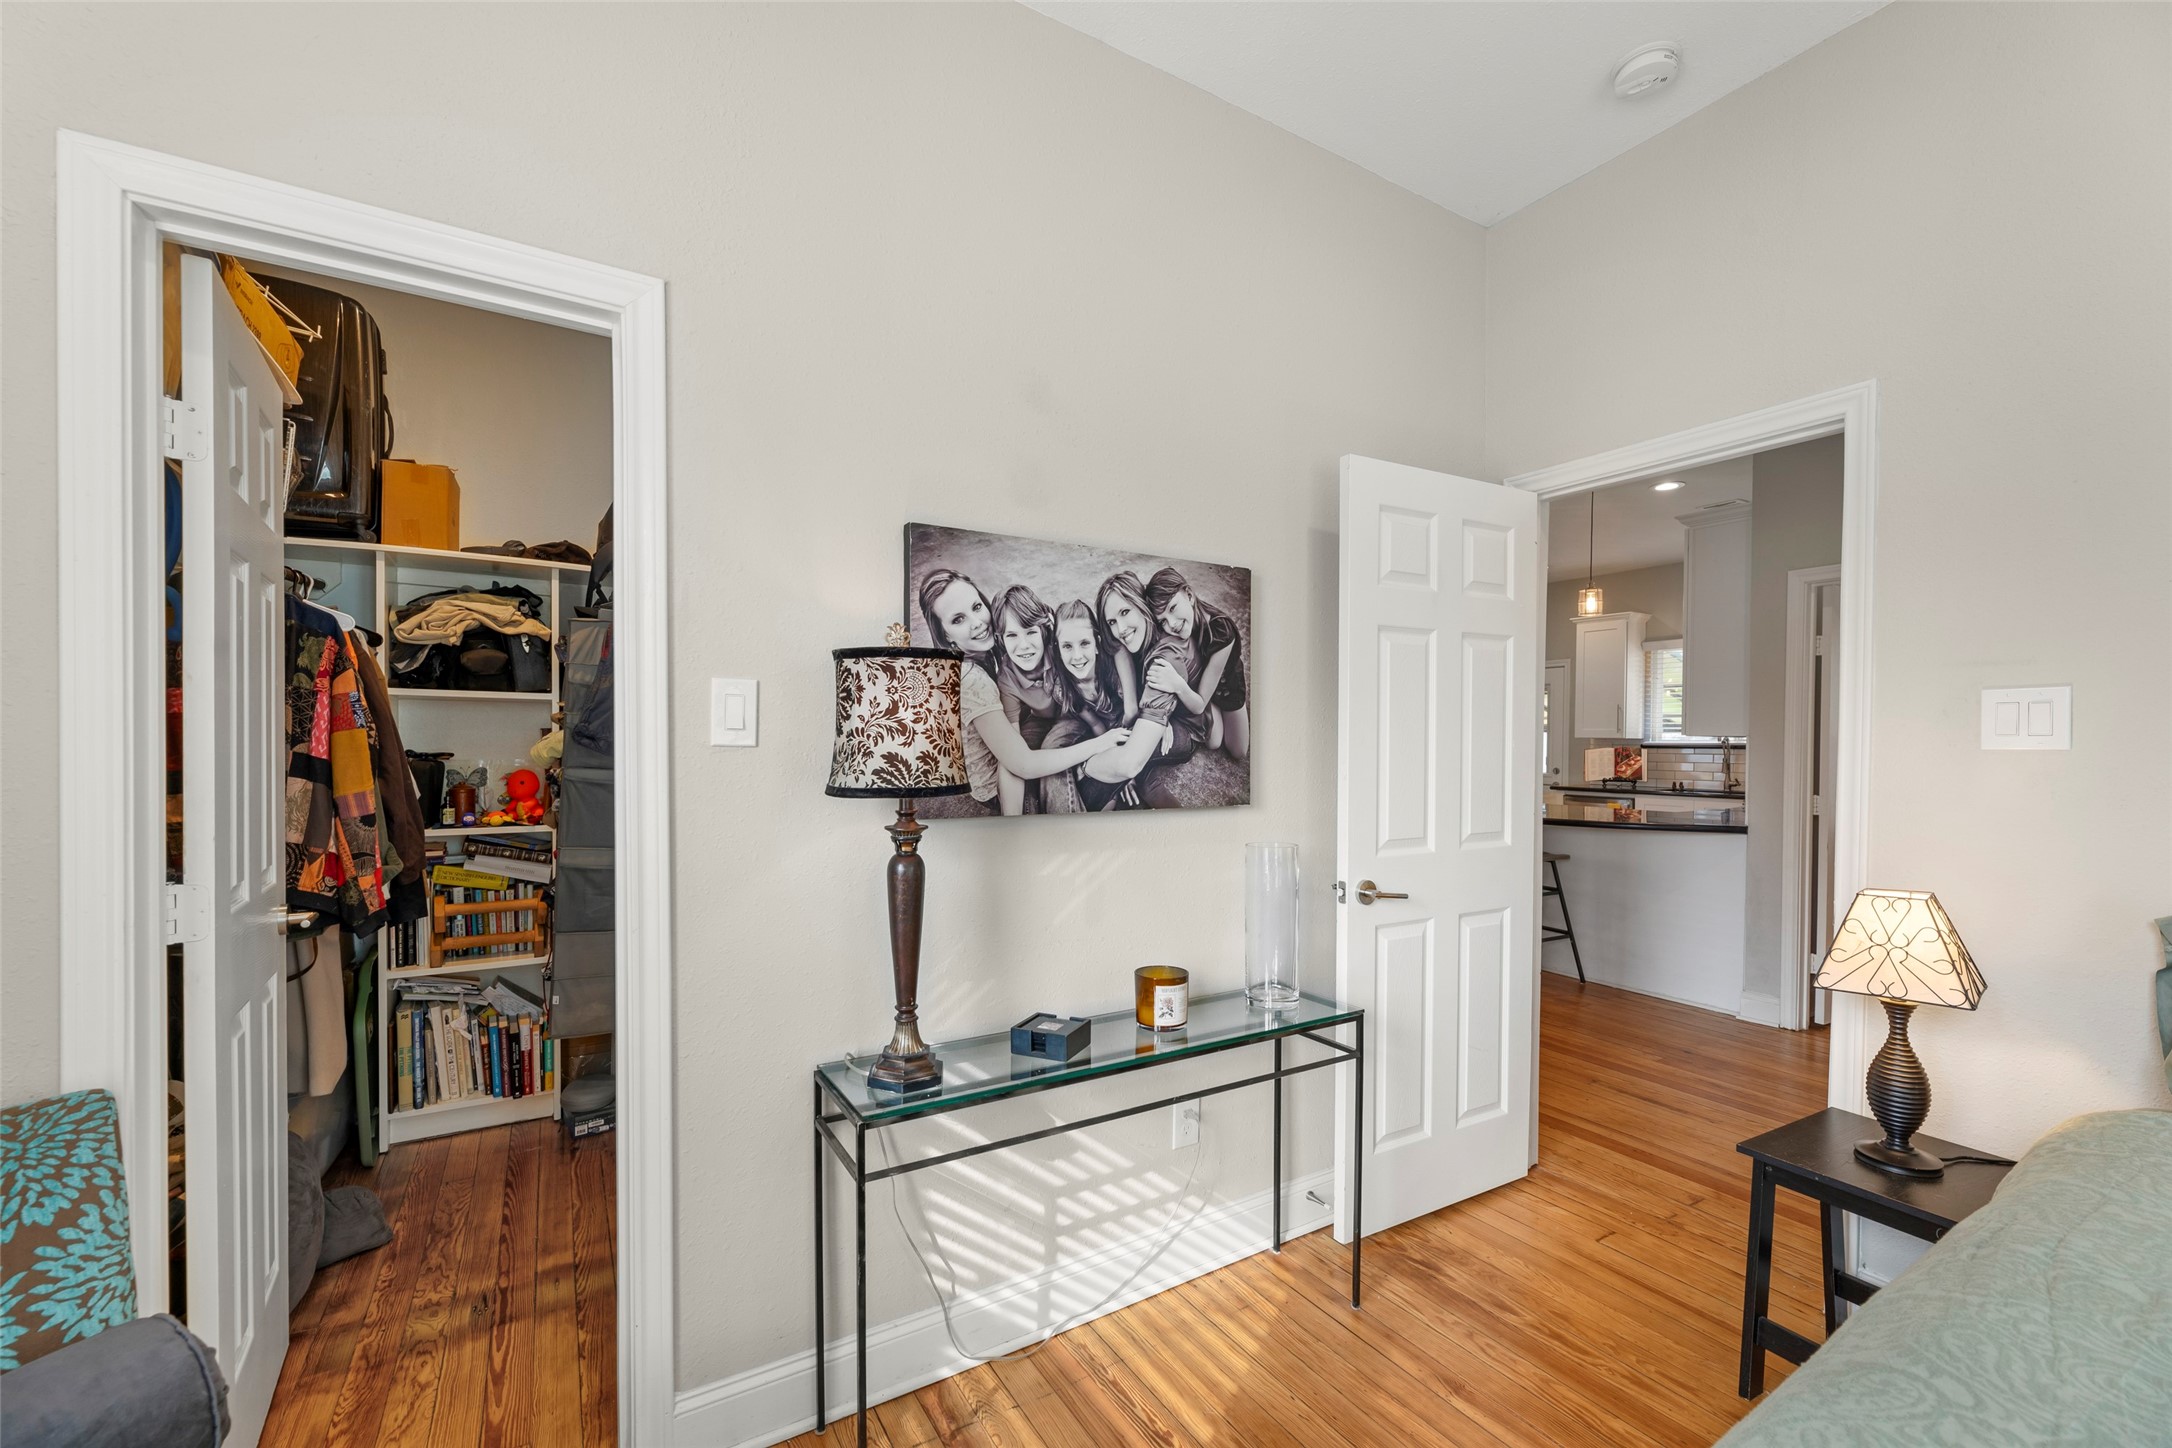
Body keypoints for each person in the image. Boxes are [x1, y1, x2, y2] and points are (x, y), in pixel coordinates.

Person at [917, 568, 1127, 816]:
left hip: (1033, 742)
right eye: (958, 619)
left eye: (976, 607)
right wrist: (1011, 820)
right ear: (944, 634)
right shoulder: (976, 679)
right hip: (996, 783)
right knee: (1049, 758)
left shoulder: (1045, 649)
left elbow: (1101, 656)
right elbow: (1018, 762)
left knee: (1053, 751)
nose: (977, 623)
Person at [1143, 565, 1248, 764]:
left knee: (1238, 750)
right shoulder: (1180, 623)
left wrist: (1177, 684)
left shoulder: (1222, 631)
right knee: (1214, 741)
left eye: (1172, 608)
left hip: (1226, 685)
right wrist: (1162, 716)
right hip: (1202, 682)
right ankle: (1207, 704)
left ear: (1189, 595)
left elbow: (1198, 706)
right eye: (1163, 621)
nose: (1172, 624)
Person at [1040, 599, 1135, 812]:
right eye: (1067, 646)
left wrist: (1123, 765)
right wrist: (1111, 755)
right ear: (1058, 649)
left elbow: (1132, 712)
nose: (1077, 656)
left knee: (1135, 783)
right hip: (1105, 731)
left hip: (1131, 724)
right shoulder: (1063, 686)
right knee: (1106, 797)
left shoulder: (1114, 664)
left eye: (1084, 643)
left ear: (1097, 643)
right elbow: (1096, 725)